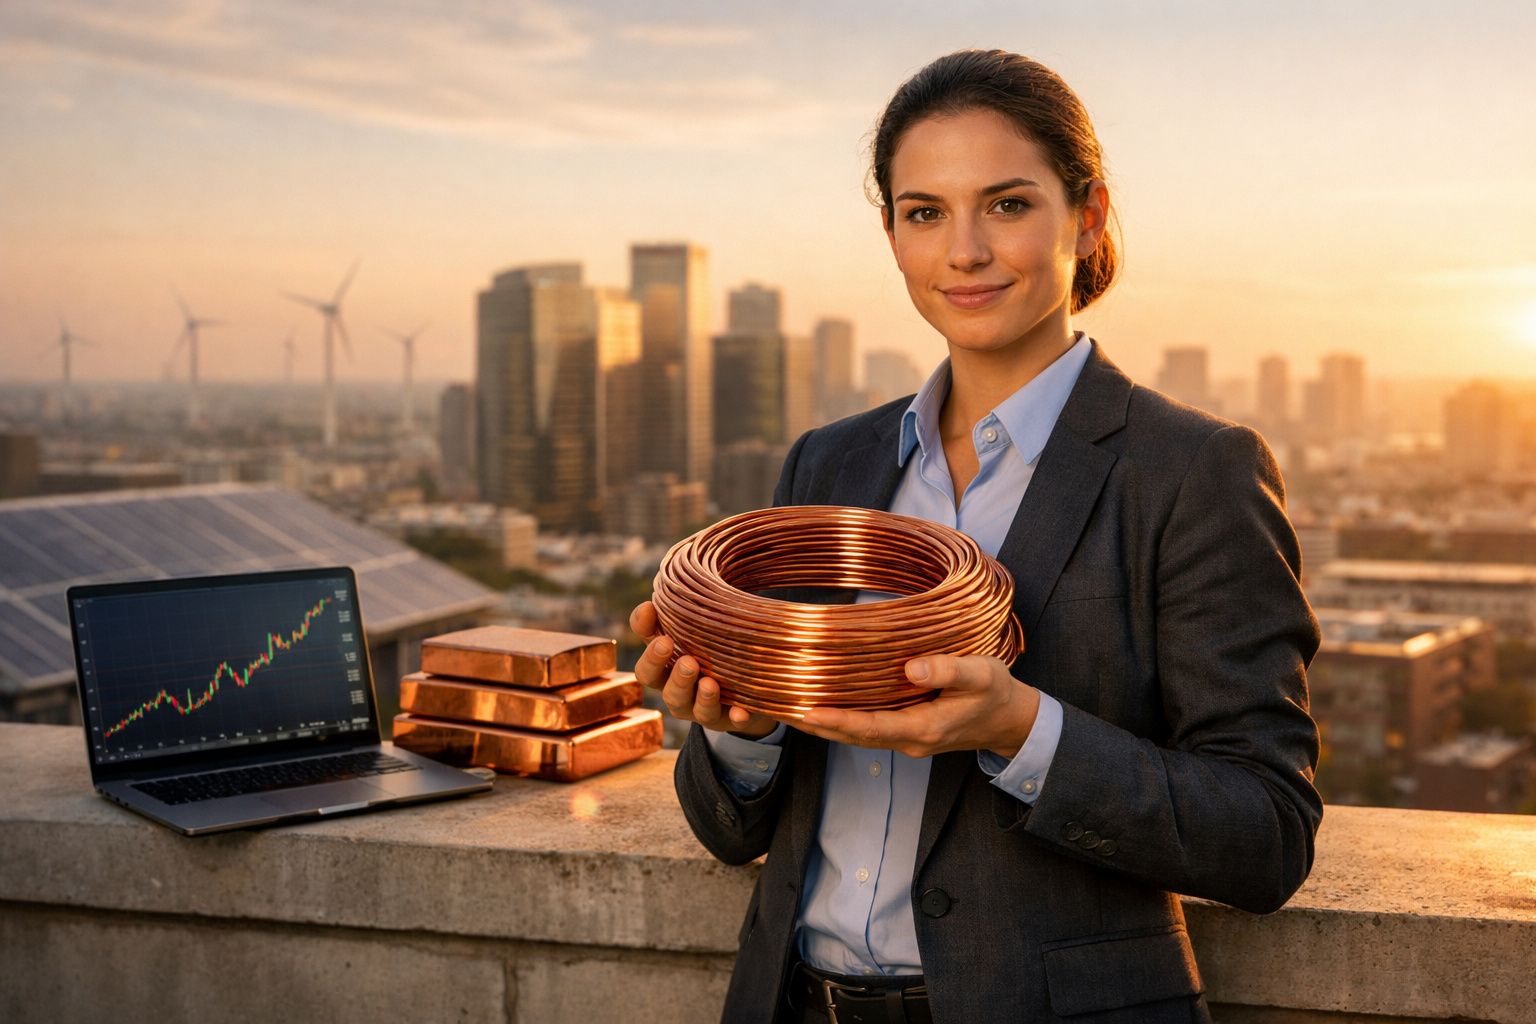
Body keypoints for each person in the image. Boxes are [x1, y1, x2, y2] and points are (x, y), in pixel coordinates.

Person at [630, 49, 1321, 1024]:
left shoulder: (1190, 474)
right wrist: (741, 733)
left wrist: (1019, 730)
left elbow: (1268, 832)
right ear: (892, 234)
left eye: (1006, 204)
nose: (964, 251)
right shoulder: (827, 466)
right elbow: (727, 828)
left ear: (1088, 214)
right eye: (925, 212)